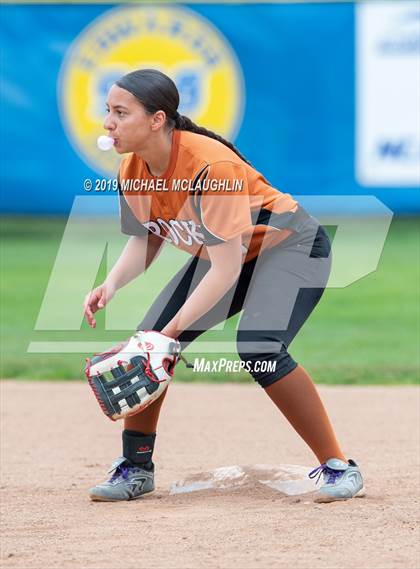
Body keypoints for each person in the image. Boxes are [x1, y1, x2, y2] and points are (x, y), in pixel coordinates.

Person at [83, 69, 365, 503]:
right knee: (149, 344)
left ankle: (338, 468)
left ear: (158, 119)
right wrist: (112, 283)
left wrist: (170, 334)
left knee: (258, 347)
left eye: (121, 112)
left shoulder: (211, 167)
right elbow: (147, 236)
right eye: (109, 111)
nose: (108, 123)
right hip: (228, 257)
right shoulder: (132, 167)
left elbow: (226, 271)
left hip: (291, 248)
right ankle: (136, 468)